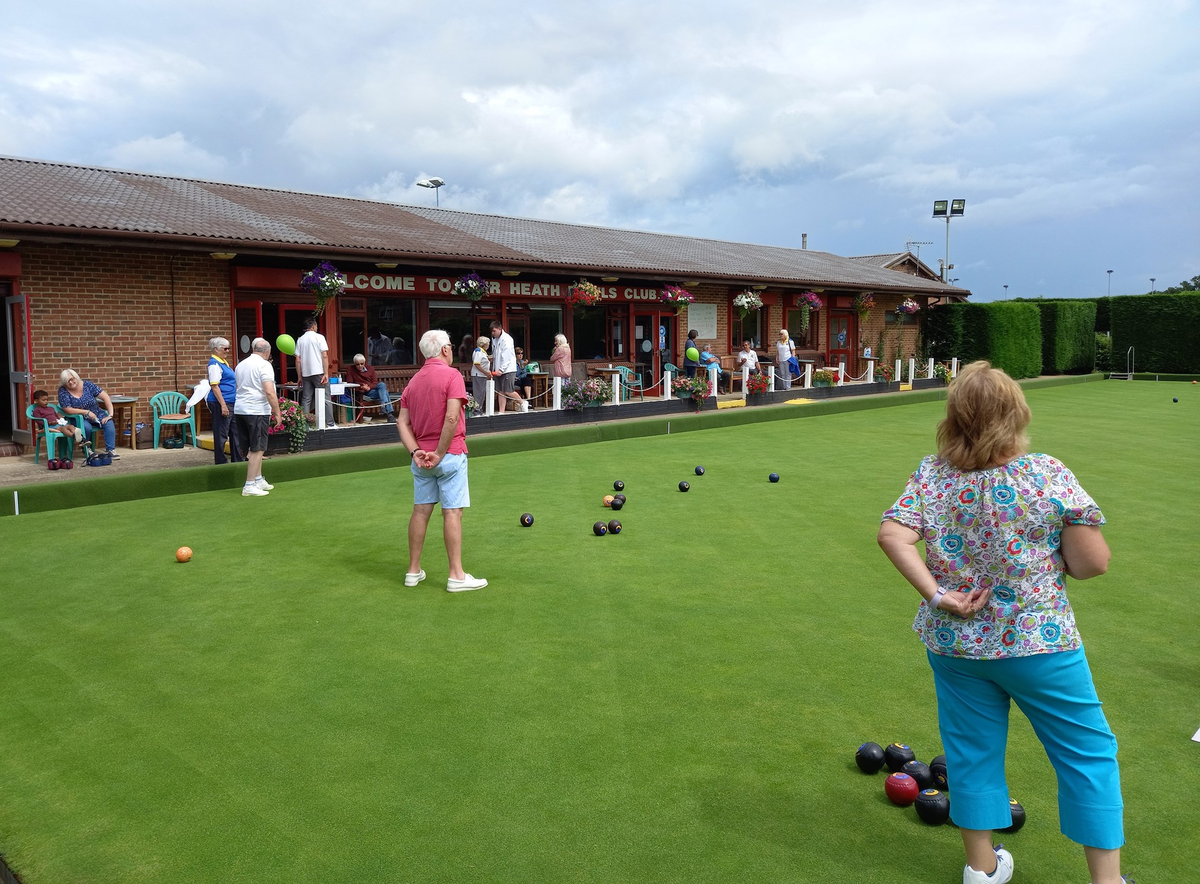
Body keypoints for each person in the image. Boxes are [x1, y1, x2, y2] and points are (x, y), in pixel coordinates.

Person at [877, 361, 1125, 884]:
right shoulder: (1047, 472)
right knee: (1088, 754)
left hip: (955, 645)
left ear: (955, 417)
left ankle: (982, 869)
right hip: (1041, 643)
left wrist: (939, 595)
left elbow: (892, 535)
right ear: (1015, 413)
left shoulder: (931, 473)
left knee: (971, 753)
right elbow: (1091, 564)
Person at [396, 329, 487, 593]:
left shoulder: (413, 382)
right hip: (448, 454)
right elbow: (451, 417)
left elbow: (402, 422)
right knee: (452, 512)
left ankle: (413, 571)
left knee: (420, 511)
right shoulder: (452, 375)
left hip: (421, 459)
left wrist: (415, 452)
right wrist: (439, 451)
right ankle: (456, 575)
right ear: (445, 349)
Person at [233, 337, 283, 497]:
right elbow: (269, 391)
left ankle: (258, 478)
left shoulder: (240, 364)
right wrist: (277, 412)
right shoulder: (265, 365)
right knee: (258, 447)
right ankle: (249, 484)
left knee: (253, 447)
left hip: (241, 409)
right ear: (267, 352)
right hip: (257, 410)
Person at [57, 369, 120, 460]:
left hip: (96, 412)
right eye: (67, 382)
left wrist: (110, 414)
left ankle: (111, 450)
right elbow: (67, 409)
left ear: (76, 377)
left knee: (109, 423)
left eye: (72, 379)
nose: (71, 382)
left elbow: (105, 397)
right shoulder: (63, 391)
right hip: (78, 417)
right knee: (86, 427)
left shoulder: (87, 385)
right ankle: (87, 449)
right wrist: (86, 412)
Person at [204, 337, 243, 464]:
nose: (227, 351)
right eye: (225, 348)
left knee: (235, 432)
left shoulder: (222, 362)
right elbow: (215, 386)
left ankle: (237, 459)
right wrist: (223, 405)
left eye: (228, 348)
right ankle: (220, 462)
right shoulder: (214, 364)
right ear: (216, 349)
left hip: (231, 401)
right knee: (221, 433)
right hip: (222, 402)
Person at [296, 316, 336, 428]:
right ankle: (330, 423)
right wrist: (326, 373)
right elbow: (324, 356)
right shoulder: (319, 337)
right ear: (313, 326)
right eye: (316, 326)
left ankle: (305, 425)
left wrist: (299, 376)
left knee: (306, 399)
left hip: (305, 373)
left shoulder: (300, 340)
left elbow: (298, 360)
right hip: (318, 372)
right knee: (326, 397)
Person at [32, 389, 91, 459]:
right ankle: (75, 437)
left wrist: (60, 419)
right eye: (43, 400)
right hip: (50, 426)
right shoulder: (37, 410)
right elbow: (39, 421)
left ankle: (79, 437)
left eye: (47, 400)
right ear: (36, 401)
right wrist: (49, 422)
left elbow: (56, 416)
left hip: (58, 424)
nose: (46, 402)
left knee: (71, 426)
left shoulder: (51, 408)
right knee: (63, 429)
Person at [345, 353, 397, 423]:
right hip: (363, 392)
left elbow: (375, 382)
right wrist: (362, 387)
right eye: (357, 364)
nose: (360, 366)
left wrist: (369, 387)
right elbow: (350, 383)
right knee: (385, 392)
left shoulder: (370, 368)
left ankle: (383, 407)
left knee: (382, 384)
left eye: (362, 364)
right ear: (354, 364)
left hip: (372, 389)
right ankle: (389, 414)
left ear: (364, 363)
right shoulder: (350, 369)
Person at [489, 320, 528, 413]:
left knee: (508, 391)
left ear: (500, 329)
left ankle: (522, 403)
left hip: (508, 369)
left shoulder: (507, 339)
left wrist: (501, 370)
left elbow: (506, 357)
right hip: (498, 369)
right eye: (492, 331)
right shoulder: (494, 339)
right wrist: (492, 361)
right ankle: (501, 411)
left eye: (494, 331)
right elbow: (496, 354)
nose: (492, 333)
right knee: (500, 391)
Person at [470, 336, 492, 416]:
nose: (488, 345)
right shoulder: (478, 351)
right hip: (478, 375)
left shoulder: (483, 352)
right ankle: (477, 410)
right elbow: (477, 364)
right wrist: (486, 372)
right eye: (487, 343)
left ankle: (479, 409)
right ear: (484, 344)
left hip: (482, 375)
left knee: (482, 393)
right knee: (478, 393)